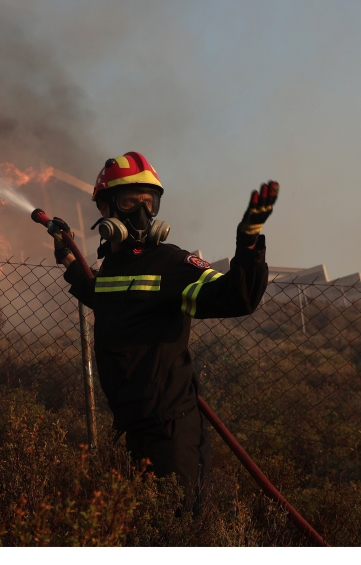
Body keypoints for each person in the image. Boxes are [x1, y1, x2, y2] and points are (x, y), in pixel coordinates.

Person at [48, 151, 277, 514]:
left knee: (180, 531)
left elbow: (238, 297)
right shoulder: (111, 269)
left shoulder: (172, 263)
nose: (141, 213)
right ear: (106, 209)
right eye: (129, 201)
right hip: (128, 429)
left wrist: (248, 243)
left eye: (148, 202)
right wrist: (69, 259)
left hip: (170, 434)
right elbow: (105, 299)